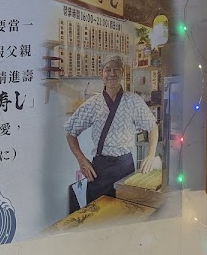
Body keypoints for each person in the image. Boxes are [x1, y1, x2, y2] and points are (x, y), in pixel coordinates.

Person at [64, 56, 158, 212]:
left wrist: (151, 154)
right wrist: (82, 160)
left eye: (116, 70)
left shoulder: (133, 101)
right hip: (99, 170)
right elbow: (70, 132)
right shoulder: (93, 104)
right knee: (97, 215)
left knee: (125, 213)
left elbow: (152, 127)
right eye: (108, 70)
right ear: (101, 74)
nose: (112, 73)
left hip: (125, 167)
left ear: (122, 73)